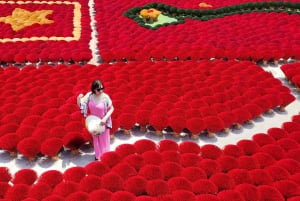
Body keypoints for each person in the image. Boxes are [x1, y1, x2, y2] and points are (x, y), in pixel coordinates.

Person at [77, 80, 114, 160]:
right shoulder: (89, 96)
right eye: (98, 89)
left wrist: (104, 119)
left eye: (102, 88)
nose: (101, 91)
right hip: (93, 122)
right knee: (96, 139)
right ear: (93, 89)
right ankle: (98, 156)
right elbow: (81, 106)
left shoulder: (105, 97)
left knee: (104, 140)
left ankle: (105, 156)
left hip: (103, 122)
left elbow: (111, 108)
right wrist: (78, 98)